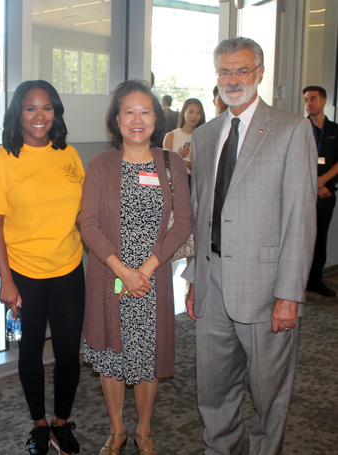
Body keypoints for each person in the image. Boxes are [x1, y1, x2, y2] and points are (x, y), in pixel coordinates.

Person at [182, 37, 317, 455]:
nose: (233, 79)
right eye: (225, 71)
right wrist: (192, 278)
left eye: (242, 70)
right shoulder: (204, 136)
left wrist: (289, 294)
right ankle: (219, 448)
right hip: (213, 282)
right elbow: (201, 209)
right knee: (215, 385)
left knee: (268, 391)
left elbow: (300, 218)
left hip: (265, 286)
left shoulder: (291, 129)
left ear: (260, 73)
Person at [81, 80, 192, 455]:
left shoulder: (170, 162)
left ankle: (143, 431)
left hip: (153, 278)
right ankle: (117, 430)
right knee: (112, 357)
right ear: (116, 118)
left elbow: (184, 223)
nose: (137, 119)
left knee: (147, 356)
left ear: (156, 118)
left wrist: (144, 270)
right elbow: (89, 223)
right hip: (109, 275)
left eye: (146, 111)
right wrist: (122, 270)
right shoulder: (100, 164)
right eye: (129, 111)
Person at [0, 80, 85, 455]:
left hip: (69, 269)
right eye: (30, 108)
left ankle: (60, 423)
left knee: (70, 353)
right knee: (30, 351)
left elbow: (80, 216)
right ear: (17, 113)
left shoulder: (68, 154)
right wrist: (6, 282)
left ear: (55, 112)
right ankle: (39, 425)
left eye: (47, 108)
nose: (39, 116)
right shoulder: (1, 159)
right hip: (24, 276)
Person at [303, 85, 338, 297]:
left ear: (324, 101)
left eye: (313, 99)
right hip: (304, 193)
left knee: (320, 237)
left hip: (326, 194)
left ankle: (315, 279)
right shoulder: (299, 127)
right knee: (302, 237)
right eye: (306, 100)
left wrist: (323, 182)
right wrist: (315, 185)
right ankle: (299, 280)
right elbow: (296, 160)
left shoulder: (335, 130)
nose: (309, 104)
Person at [163, 98, 205, 179]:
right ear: (183, 113)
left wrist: (184, 162)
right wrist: (177, 156)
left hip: (194, 184)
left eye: (198, 113)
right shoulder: (171, 136)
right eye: (191, 112)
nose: (194, 116)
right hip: (175, 182)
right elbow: (165, 166)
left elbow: (204, 169)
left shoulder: (202, 138)